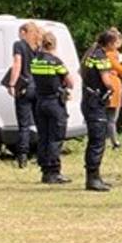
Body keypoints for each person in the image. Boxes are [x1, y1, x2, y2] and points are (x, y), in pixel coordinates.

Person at [28, 33, 73, 184]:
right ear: (54, 44)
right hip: (54, 102)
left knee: (44, 137)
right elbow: (70, 82)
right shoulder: (55, 62)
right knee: (55, 138)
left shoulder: (35, 61)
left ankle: (45, 171)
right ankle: (54, 171)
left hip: (40, 102)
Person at [80, 29, 120, 192]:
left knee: (94, 140)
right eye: (115, 42)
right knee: (98, 141)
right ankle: (93, 178)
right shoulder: (101, 57)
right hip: (96, 102)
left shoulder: (90, 54)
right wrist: (113, 86)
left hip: (88, 99)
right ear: (109, 43)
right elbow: (106, 81)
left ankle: (94, 176)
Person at [4, 21, 42, 169]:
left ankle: (23, 156)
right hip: (38, 87)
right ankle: (42, 153)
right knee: (40, 123)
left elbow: (17, 64)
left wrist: (12, 84)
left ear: (24, 32)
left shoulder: (19, 45)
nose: (18, 35)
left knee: (24, 124)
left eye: (20, 32)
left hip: (25, 88)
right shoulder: (38, 46)